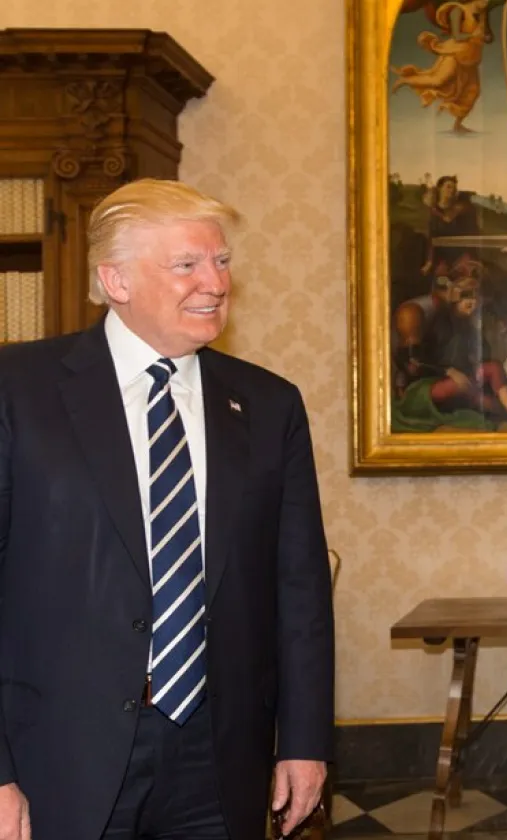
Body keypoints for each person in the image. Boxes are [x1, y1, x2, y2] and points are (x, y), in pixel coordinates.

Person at [0, 179, 335, 839]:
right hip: (58, 755)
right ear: (115, 280)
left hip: (219, 756)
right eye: (186, 264)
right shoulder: (18, 392)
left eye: (222, 261)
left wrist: (304, 741)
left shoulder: (269, 407)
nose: (214, 282)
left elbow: (299, 593)